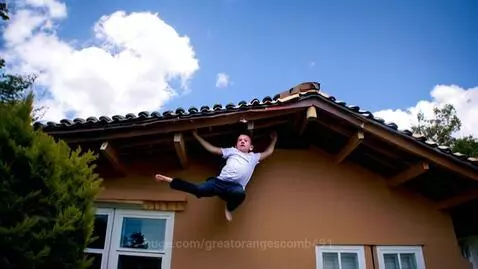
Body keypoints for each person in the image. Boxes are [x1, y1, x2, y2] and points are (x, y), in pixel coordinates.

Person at [154, 130, 278, 222]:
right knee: (199, 190)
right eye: (240, 140)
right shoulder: (231, 151)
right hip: (218, 182)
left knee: (240, 194)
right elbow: (212, 149)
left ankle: (229, 208)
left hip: (234, 187)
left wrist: (274, 140)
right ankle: (170, 180)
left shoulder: (253, 157)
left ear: (250, 147)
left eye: (245, 140)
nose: (242, 141)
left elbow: (269, 152)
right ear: (236, 145)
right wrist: (197, 136)